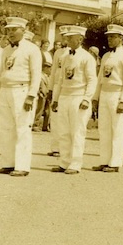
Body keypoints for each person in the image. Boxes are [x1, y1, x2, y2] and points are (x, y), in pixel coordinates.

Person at [0, 17, 42, 177]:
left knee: (22, 128)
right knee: (6, 128)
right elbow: (1, 72)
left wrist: (31, 95)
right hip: (6, 91)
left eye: (14, 30)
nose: (10, 33)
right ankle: (8, 163)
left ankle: (22, 166)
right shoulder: (6, 50)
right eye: (8, 30)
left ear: (23, 30)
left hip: (22, 91)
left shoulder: (32, 49)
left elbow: (36, 75)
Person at [50, 25, 96, 174]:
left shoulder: (87, 58)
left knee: (77, 132)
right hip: (65, 96)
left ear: (80, 39)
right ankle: (64, 162)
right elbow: (60, 79)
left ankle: (75, 163)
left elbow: (91, 80)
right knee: (63, 131)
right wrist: (55, 99)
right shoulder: (64, 57)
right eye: (67, 37)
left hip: (78, 96)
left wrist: (86, 99)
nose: (67, 40)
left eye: (71, 37)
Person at [91, 24, 123, 173]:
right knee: (104, 129)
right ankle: (104, 160)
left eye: (113, 36)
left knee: (118, 129)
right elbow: (100, 78)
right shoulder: (106, 56)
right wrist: (95, 97)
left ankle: (115, 163)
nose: (109, 39)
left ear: (121, 38)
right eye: (108, 36)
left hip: (117, 94)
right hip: (105, 93)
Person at [46, 27, 70, 155]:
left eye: (67, 36)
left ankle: (64, 148)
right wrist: (50, 89)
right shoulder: (58, 52)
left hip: (67, 88)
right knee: (54, 118)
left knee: (64, 118)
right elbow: (54, 71)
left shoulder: (71, 53)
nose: (64, 39)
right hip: (56, 86)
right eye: (62, 36)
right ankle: (55, 147)